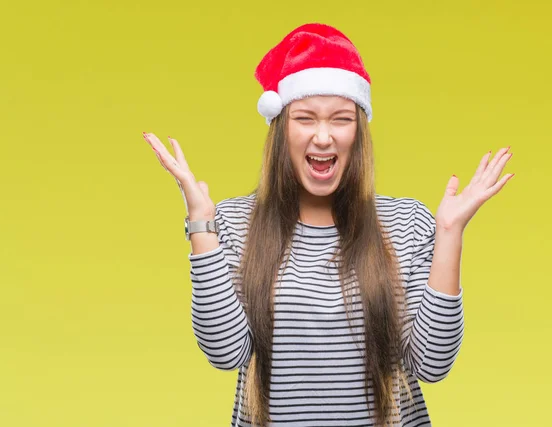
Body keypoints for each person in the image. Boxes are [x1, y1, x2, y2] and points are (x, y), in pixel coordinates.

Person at [143, 22, 514, 427]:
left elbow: (432, 364)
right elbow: (224, 352)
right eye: (305, 118)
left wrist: (449, 235)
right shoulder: (233, 223)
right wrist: (201, 225)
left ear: (359, 131)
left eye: (340, 119)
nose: (323, 137)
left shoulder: (405, 223)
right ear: (281, 130)